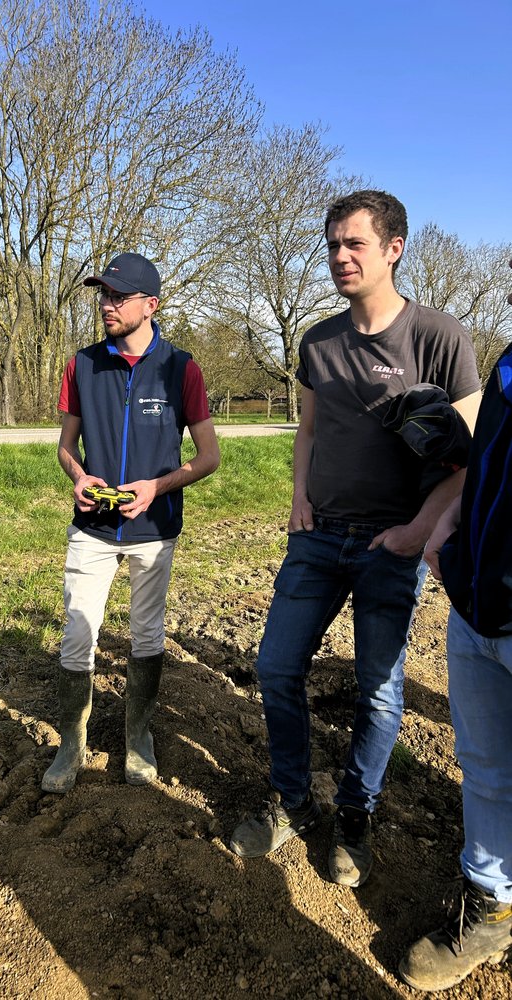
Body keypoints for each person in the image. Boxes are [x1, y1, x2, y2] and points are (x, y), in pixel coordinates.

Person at [230, 190, 482, 888]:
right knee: (277, 668)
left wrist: (418, 532)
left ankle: (355, 816)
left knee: (377, 690)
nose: (340, 256)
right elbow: (309, 431)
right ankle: (292, 799)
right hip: (318, 538)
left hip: (391, 546)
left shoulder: (440, 337)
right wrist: (298, 497)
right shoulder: (318, 341)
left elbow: (474, 459)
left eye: (355, 244)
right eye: (333, 245)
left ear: (393, 249)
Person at [42, 252, 220, 794]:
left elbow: (208, 457)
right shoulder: (82, 364)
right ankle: (71, 743)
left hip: (154, 530)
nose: (107, 305)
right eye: (104, 294)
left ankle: (138, 736)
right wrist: (79, 476)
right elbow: (65, 447)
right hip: (91, 528)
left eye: (119, 296)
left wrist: (155, 488)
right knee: (77, 633)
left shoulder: (181, 368)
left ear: (151, 305)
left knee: (146, 633)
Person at [398, 259, 512, 992]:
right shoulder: (508, 367)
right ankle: (492, 906)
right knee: (486, 767)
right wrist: (447, 521)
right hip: (475, 605)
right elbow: (487, 468)